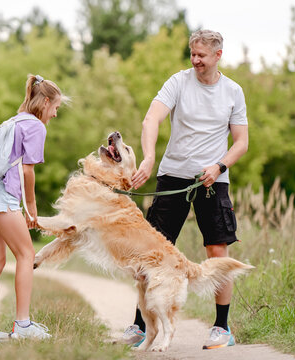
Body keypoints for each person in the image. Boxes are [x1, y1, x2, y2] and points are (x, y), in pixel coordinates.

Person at [122, 29, 249, 349]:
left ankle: (222, 328)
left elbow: (242, 143)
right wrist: (149, 156)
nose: (195, 60)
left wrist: (219, 166)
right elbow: (151, 119)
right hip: (173, 176)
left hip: (212, 181)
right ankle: (139, 327)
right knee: (152, 256)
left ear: (218, 56)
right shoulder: (178, 82)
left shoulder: (233, 91)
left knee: (217, 251)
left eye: (202, 56)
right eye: (192, 54)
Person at [0, 74, 66, 346]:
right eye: (55, 107)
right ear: (45, 102)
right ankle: (22, 324)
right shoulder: (35, 126)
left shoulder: (13, 120)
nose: (55, 114)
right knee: (26, 254)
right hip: (2, 197)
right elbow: (27, 170)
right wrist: (30, 208)